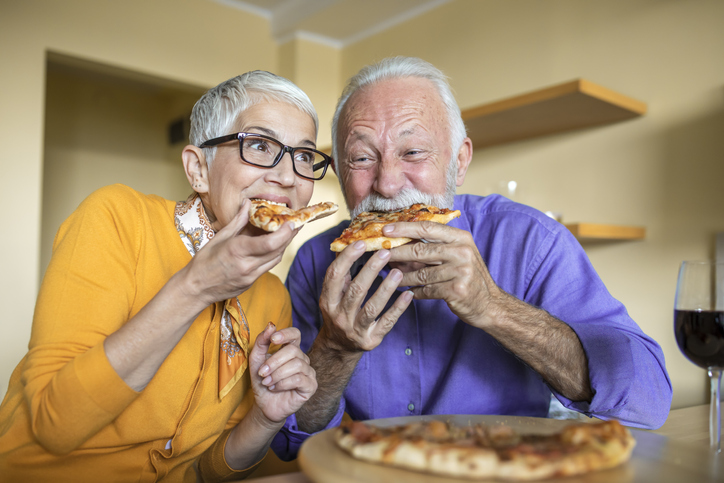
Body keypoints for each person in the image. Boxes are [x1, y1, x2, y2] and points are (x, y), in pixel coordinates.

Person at [271, 56, 672, 459]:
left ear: (460, 161)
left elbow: (646, 400)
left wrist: (493, 307)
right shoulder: (313, 261)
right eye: (361, 158)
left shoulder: (531, 241)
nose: (388, 184)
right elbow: (294, 437)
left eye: (412, 151)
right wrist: (336, 350)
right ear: (340, 171)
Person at [0, 71, 331, 482]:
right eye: (260, 145)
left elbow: (208, 471)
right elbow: (55, 423)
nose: (288, 176)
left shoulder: (271, 295)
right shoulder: (117, 218)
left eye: (303, 156)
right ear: (198, 169)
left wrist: (266, 418)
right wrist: (194, 288)